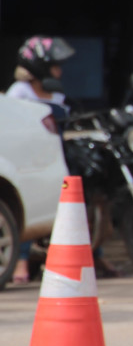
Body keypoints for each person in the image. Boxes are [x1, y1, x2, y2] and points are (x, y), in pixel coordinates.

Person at [7, 36, 75, 284]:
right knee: (30, 205)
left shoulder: (56, 94)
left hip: (54, 158)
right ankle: (21, 260)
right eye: (54, 65)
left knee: (75, 200)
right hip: (29, 161)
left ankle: (92, 256)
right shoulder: (19, 93)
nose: (59, 71)